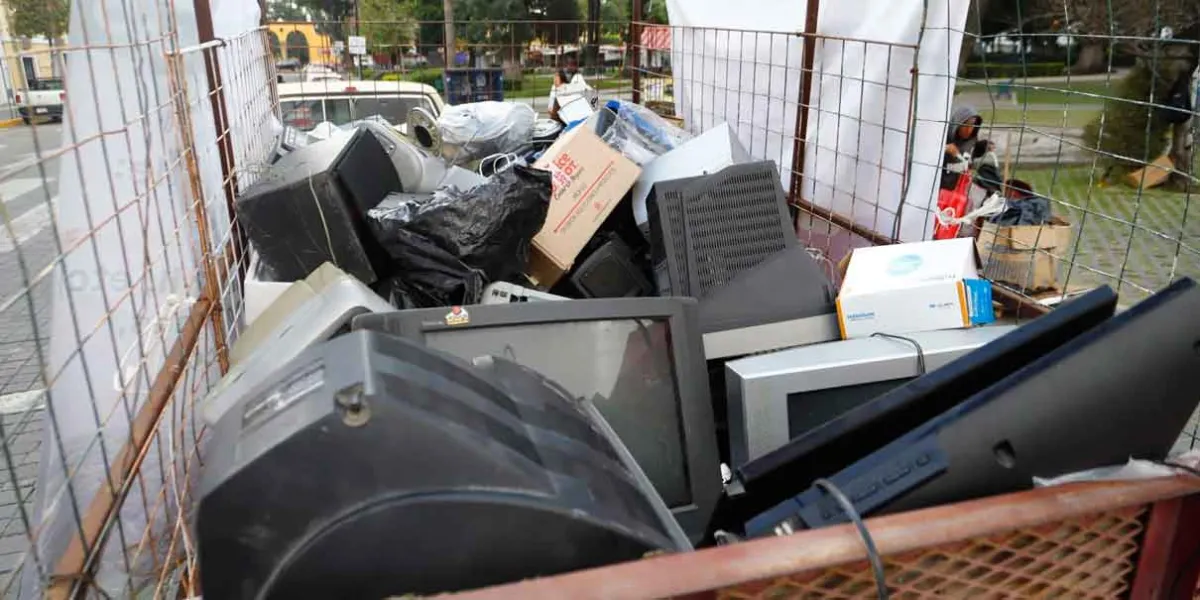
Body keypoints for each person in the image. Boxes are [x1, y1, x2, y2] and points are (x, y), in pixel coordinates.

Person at [942, 105, 984, 190]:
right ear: (957, 123)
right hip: (939, 190)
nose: (969, 129)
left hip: (959, 192)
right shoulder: (943, 137)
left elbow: (969, 164)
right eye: (965, 124)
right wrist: (943, 148)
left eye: (972, 125)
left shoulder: (971, 141)